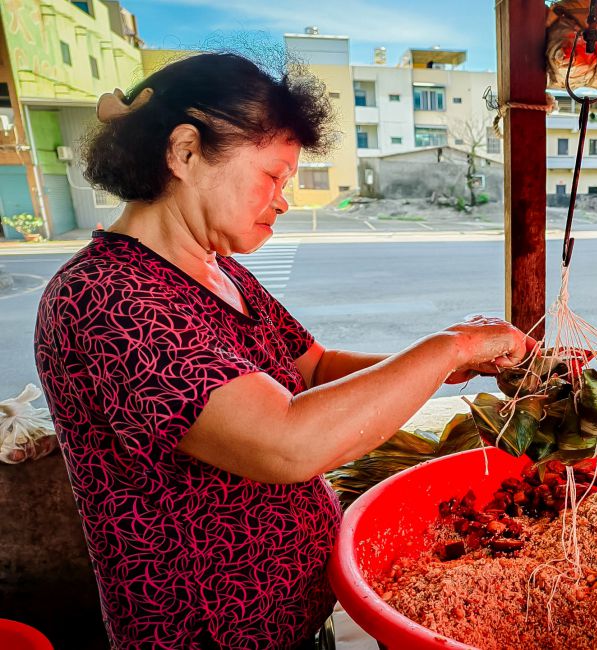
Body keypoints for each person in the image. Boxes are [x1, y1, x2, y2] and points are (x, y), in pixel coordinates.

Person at [33, 52, 530, 650]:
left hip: (299, 612)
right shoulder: (105, 298)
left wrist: (448, 365)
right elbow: (285, 442)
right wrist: (451, 346)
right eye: (272, 176)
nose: (283, 200)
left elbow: (313, 367)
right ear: (185, 152)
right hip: (212, 634)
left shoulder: (221, 272)